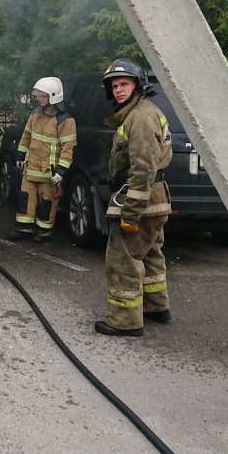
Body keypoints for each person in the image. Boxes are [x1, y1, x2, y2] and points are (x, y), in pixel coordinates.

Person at [95, 58, 173, 337]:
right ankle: (156, 307)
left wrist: (131, 212)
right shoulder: (143, 112)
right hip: (156, 201)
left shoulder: (140, 117)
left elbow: (142, 169)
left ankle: (124, 320)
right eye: (114, 86)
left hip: (141, 201)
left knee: (123, 258)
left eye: (124, 84)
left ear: (138, 85)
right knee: (150, 254)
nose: (118, 89)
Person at [7, 77, 76, 243]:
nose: (39, 98)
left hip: (49, 173)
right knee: (26, 199)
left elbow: (68, 148)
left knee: (47, 203)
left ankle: (43, 232)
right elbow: (26, 137)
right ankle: (23, 229)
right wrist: (20, 155)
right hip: (31, 169)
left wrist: (61, 172)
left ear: (53, 96)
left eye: (42, 95)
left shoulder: (65, 120)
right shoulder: (35, 114)